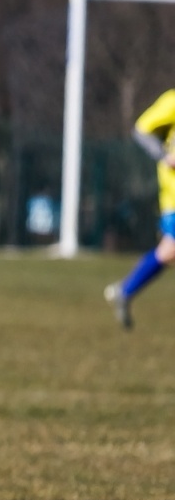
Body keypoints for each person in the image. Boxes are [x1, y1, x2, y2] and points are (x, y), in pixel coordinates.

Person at [105, 89, 175, 328]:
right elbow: (142, 129)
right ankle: (126, 289)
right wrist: (164, 156)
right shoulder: (172, 101)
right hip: (174, 195)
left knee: (168, 251)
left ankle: (126, 290)